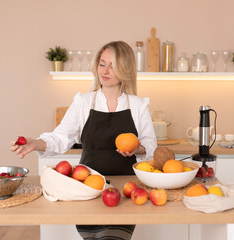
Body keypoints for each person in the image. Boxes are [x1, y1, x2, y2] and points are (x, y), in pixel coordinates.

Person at [10, 40, 157, 240]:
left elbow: (150, 147)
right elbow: (61, 138)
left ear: (125, 69)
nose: (104, 70)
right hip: (86, 186)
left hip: (125, 189)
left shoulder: (139, 105)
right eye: (102, 63)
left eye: (113, 65)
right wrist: (35, 142)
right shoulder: (84, 102)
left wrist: (136, 149)